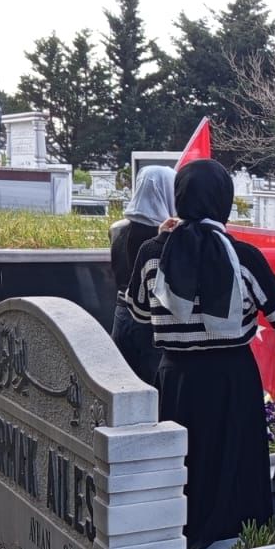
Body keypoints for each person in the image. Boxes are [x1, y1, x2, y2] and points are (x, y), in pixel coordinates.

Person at [124, 159, 275, 549]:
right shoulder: (244, 257)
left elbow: (139, 315)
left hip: (176, 383)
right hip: (231, 383)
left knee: (184, 475)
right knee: (233, 480)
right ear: (224, 201)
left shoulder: (150, 253)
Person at [109, 165, 175, 387]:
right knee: (152, 388)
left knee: (123, 384)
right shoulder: (164, 236)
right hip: (150, 318)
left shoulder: (116, 228)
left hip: (121, 313)